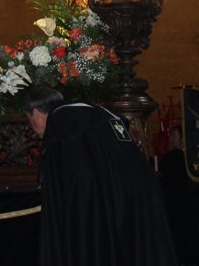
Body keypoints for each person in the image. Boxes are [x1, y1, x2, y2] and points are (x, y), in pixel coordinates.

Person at [22, 85, 177, 266]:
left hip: (101, 207)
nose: (34, 130)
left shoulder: (60, 123)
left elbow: (77, 181)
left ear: (37, 114)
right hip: (140, 197)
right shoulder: (98, 113)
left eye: (29, 121)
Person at [161, 125, 199, 266]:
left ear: (182, 139)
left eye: (174, 136)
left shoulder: (172, 158)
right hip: (182, 203)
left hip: (180, 204)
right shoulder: (189, 157)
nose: (170, 139)